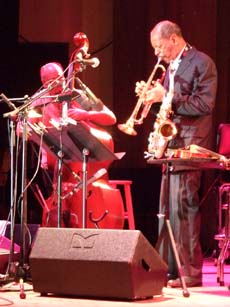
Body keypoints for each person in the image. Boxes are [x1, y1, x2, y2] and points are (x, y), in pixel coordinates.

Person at [135, 20, 217, 287]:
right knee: (166, 211)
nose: (157, 53)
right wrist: (151, 97)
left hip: (190, 145)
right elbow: (169, 104)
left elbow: (204, 104)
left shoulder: (202, 62)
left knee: (183, 210)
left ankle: (190, 273)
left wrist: (167, 96)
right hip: (170, 145)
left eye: (159, 47)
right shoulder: (171, 66)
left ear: (173, 39)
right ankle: (168, 269)